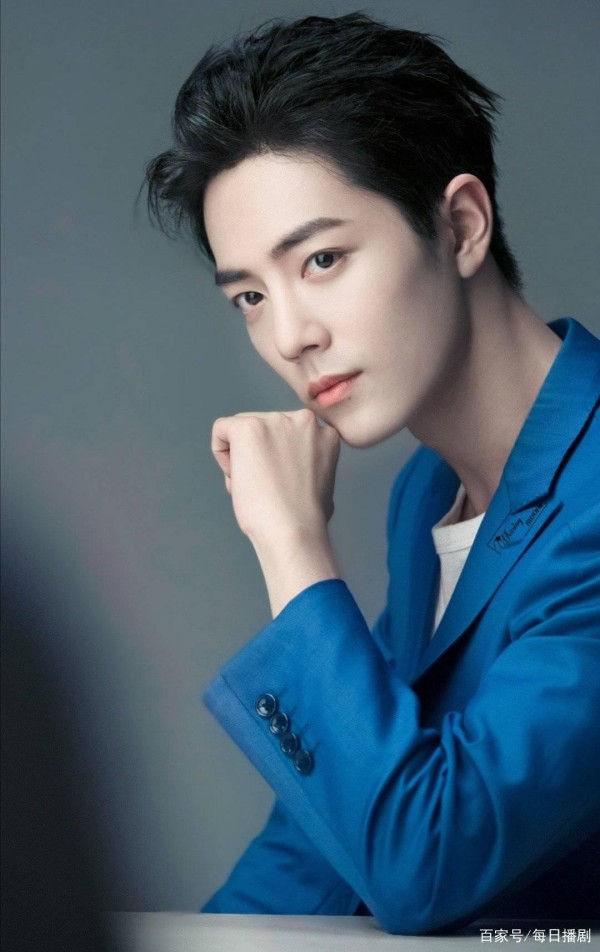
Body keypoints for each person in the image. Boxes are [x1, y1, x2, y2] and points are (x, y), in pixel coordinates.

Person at [144, 13, 600, 934]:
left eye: (322, 259)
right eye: (250, 296)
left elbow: (427, 858)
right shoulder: (428, 496)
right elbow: (326, 844)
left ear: (461, 226)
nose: (289, 336)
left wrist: (293, 546)